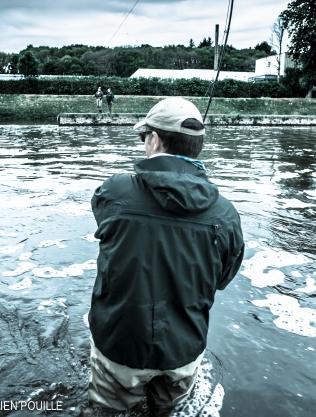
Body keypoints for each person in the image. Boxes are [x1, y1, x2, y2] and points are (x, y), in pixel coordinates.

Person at [88, 97, 244, 415]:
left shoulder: (115, 191)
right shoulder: (226, 214)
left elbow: (104, 214)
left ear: (155, 139)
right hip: (184, 350)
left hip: (120, 344)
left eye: (144, 136)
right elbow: (223, 279)